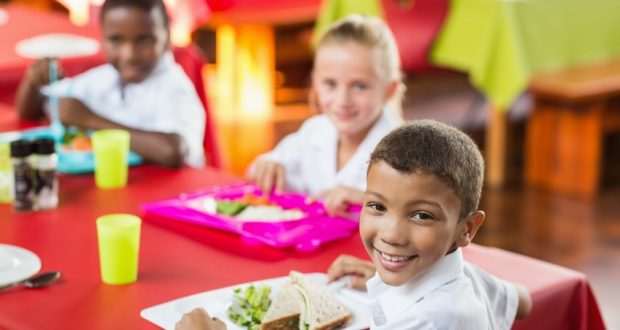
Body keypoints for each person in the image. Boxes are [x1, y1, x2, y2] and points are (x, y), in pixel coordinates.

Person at [175, 120, 532, 330]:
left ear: (467, 228)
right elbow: (522, 299)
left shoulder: (432, 319)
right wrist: (398, 276)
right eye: (376, 206)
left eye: (421, 215)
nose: (391, 233)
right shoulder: (465, 278)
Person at [15, 0, 206, 168]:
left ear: (167, 38)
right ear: (102, 38)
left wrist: (91, 121)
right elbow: (31, 112)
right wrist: (33, 82)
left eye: (144, 40)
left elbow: (173, 152)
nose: (129, 55)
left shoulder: (175, 88)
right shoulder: (104, 78)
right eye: (116, 40)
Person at [247, 14, 405, 216]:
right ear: (315, 82)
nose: (343, 100)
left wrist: (369, 202)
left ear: (388, 90)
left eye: (359, 86)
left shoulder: (404, 153)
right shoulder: (315, 131)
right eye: (330, 84)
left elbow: (419, 216)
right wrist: (267, 166)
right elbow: (261, 169)